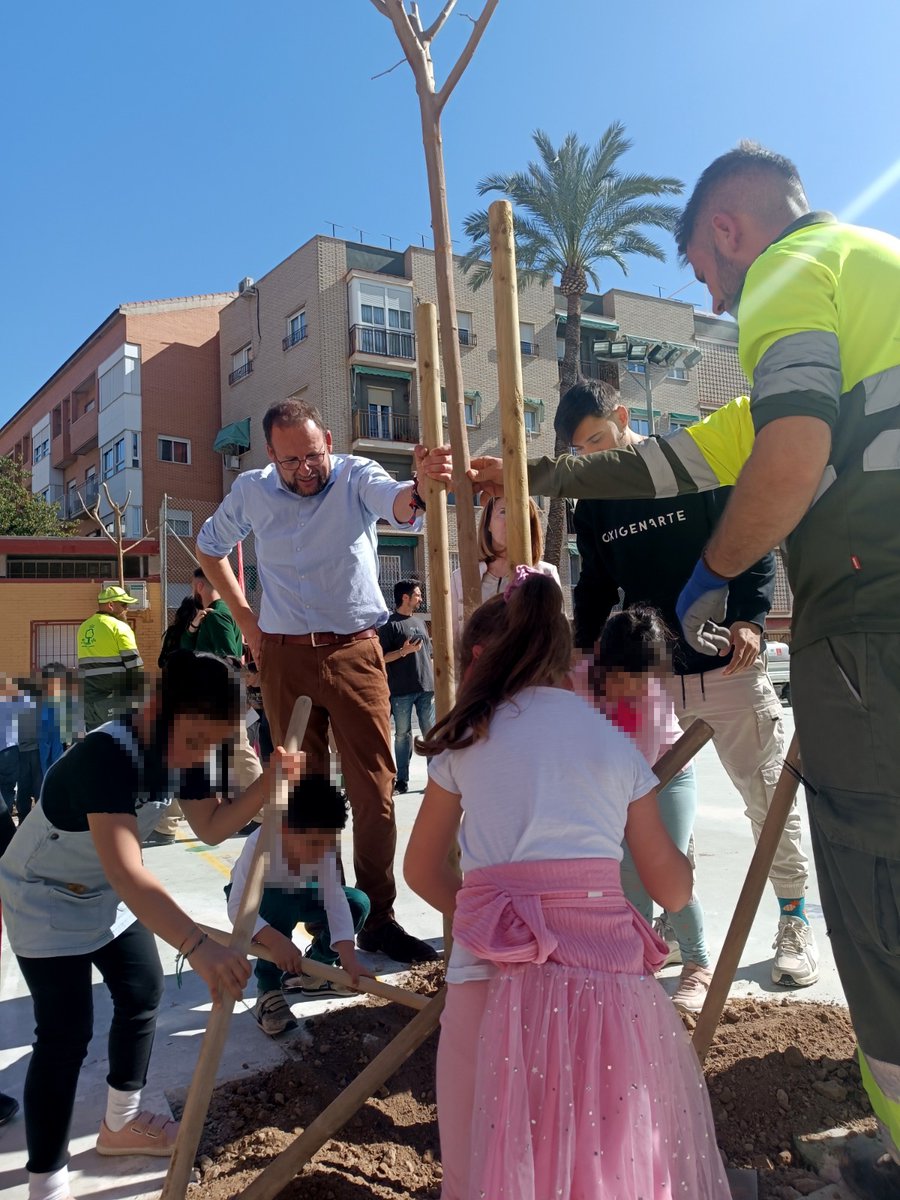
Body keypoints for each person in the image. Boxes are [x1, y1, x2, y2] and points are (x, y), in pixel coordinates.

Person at [468, 142, 900, 1196]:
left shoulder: (792, 274)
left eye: (705, 276)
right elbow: (680, 458)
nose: (713, 293)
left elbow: (786, 453)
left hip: (873, 616)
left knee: (878, 895)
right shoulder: (875, 274)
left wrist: (715, 577)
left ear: (728, 230)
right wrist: (536, 472)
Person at [405, 570, 730, 1200]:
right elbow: (672, 892)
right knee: (600, 1158)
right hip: (604, 993)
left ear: (483, 660)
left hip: (489, 981)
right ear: (567, 656)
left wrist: (488, 911)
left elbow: (420, 869)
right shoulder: (612, 747)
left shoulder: (468, 740)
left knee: (484, 1155)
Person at [0, 650, 303, 1200]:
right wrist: (199, 946)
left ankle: (121, 1123)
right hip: (44, 894)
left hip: (103, 890)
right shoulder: (106, 757)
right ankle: (45, 1181)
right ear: (159, 708)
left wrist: (267, 786)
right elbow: (126, 869)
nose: (200, 756)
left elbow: (210, 827)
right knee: (65, 1033)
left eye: (213, 746)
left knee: (141, 991)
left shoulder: (191, 748)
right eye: (196, 741)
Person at [558, 378, 815, 988]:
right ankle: (678, 929)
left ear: (622, 417)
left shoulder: (689, 463)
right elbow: (594, 587)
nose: (593, 457)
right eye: (580, 451)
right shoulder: (594, 502)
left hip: (726, 665)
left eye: (599, 439)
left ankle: (794, 919)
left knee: (767, 795)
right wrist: (577, 661)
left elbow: (753, 537)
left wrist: (750, 618)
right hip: (653, 681)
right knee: (661, 811)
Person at [195, 397, 445, 965]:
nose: (304, 469)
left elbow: (401, 504)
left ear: (328, 441)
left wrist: (423, 488)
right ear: (270, 455)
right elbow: (210, 547)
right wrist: (248, 624)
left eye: (312, 455)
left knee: (374, 790)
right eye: (290, 461)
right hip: (285, 660)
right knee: (302, 798)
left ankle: (374, 916)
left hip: (357, 652)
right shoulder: (253, 491)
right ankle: (321, 919)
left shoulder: (356, 475)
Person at [591, 605, 713, 1013]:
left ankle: (697, 965)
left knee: (663, 870)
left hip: (667, 776)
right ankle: (638, 964)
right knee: (629, 879)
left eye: (642, 680)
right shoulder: (585, 685)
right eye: (621, 678)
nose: (631, 688)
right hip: (622, 784)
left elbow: (635, 774)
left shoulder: (651, 703)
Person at [226, 775, 371, 1036]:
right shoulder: (259, 845)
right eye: (314, 843)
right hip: (256, 903)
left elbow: (335, 902)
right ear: (285, 828)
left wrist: (350, 960)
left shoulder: (321, 845)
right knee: (281, 899)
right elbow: (236, 906)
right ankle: (268, 990)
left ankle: (317, 972)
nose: (321, 851)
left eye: (329, 842)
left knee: (356, 903)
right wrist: (274, 941)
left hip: (300, 893)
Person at [449, 496, 559, 633]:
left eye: (520, 511)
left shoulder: (546, 574)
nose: (512, 519)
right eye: (503, 512)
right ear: (488, 523)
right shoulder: (460, 578)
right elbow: (455, 637)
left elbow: (556, 637)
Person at [377, 580, 435, 795]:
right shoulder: (389, 625)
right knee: (402, 735)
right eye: (417, 595)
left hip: (425, 688)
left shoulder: (420, 622)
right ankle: (401, 782)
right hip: (401, 691)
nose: (420, 599)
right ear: (405, 597)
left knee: (430, 734)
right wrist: (404, 651)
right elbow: (381, 658)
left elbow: (427, 655)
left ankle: (436, 781)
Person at [77, 585, 144, 731]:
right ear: (111, 605)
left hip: (88, 700)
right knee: (120, 744)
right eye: (124, 605)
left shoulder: (84, 627)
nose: (127, 609)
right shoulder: (120, 627)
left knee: (95, 744)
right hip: (112, 699)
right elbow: (135, 667)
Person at [181, 567, 244, 660]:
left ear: (199, 587)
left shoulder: (216, 616)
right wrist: (193, 628)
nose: (192, 593)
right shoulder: (224, 610)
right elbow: (186, 651)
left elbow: (230, 661)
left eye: (192, 588)